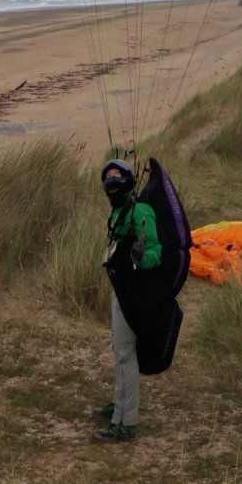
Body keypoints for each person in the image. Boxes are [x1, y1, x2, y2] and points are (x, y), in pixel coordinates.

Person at [97, 157, 162, 442]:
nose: (111, 182)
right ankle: (120, 402)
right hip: (120, 286)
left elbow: (156, 250)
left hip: (135, 291)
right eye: (107, 179)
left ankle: (126, 421)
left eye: (116, 177)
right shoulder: (118, 212)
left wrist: (142, 257)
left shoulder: (140, 211)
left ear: (127, 182)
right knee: (120, 350)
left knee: (125, 353)